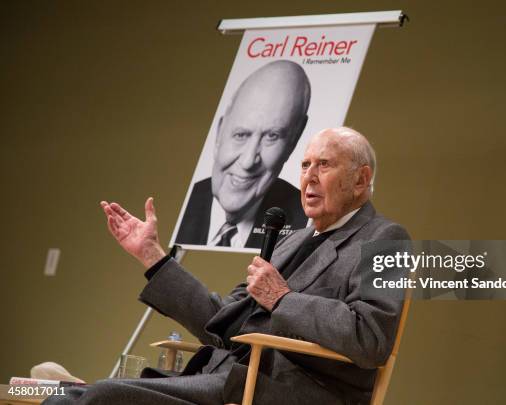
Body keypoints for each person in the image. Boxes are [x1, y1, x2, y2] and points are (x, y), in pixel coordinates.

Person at [44, 127, 409, 404]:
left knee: (101, 397)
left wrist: (282, 299)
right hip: (226, 375)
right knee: (77, 397)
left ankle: (73, 389)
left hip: (285, 392)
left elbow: (370, 338)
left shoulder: (386, 238)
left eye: (324, 165)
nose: (308, 177)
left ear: (360, 180)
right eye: (304, 165)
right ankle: (68, 389)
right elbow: (223, 321)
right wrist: (153, 256)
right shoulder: (292, 238)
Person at [175, 60, 310, 248]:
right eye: (240, 135)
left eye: (272, 136)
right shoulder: (177, 206)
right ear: (219, 132)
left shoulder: (307, 222)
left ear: (294, 141)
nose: (248, 162)